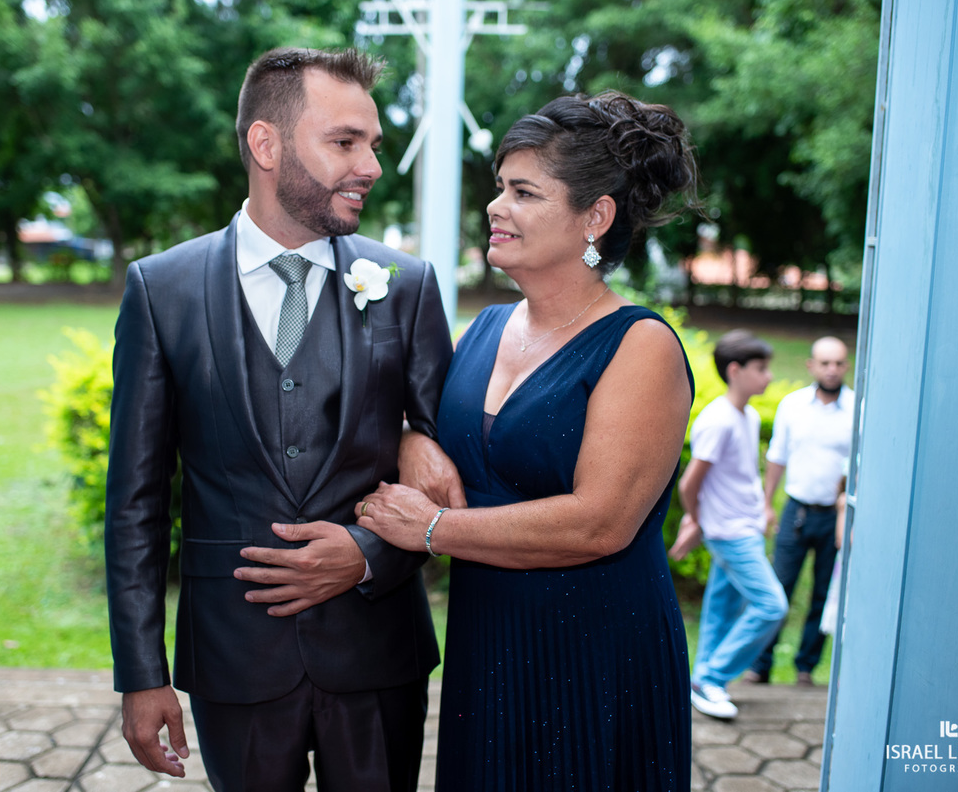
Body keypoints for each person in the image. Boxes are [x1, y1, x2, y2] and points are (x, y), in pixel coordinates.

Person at [104, 47, 458, 792]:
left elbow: (446, 467)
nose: (370, 166)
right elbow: (135, 501)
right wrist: (142, 674)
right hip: (233, 652)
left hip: (376, 649)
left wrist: (367, 552)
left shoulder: (407, 287)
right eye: (344, 142)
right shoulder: (160, 289)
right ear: (267, 145)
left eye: (373, 145)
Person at [355, 91, 699, 790]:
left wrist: (435, 529)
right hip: (489, 641)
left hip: (595, 652)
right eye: (498, 188)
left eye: (523, 191)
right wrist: (408, 437)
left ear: (594, 217)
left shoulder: (640, 346)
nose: (495, 206)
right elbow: (421, 426)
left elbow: (600, 522)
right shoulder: (485, 328)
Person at [669, 330, 789, 720]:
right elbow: (689, 483)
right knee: (772, 605)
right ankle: (712, 678)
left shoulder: (748, 415)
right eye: (761, 369)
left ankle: (701, 679)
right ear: (735, 371)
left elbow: (741, 477)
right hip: (729, 534)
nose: (768, 377)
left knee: (721, 608)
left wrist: (763, 509)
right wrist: (697, 520)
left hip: (745, 527)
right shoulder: (718, 421)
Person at [744, 337, 853, 686]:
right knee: (779, 588)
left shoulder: (858, 409)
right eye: (825, 363)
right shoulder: (793, 406)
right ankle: (760, 666)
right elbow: (777, 457)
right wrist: (766, 503)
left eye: (838, 363)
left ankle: (806, 668)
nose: (832, 370)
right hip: (797, 511)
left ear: (846, 366)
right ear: (811, 366)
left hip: (835, 517)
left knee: (823, 591)